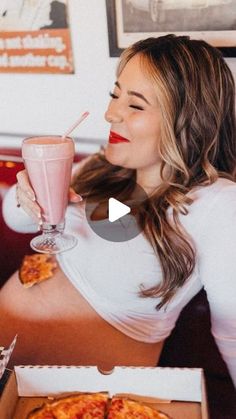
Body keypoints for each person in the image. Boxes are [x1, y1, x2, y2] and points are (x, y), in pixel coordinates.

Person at [0, 35, 236, 386]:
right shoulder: (100, 169)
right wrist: (31, 198)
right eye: (114, 95)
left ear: (188, 120)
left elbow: (233, 334)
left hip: (78, 402)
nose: (110, 113)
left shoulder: (216, 205)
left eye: (136, 105)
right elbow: (15, 220)